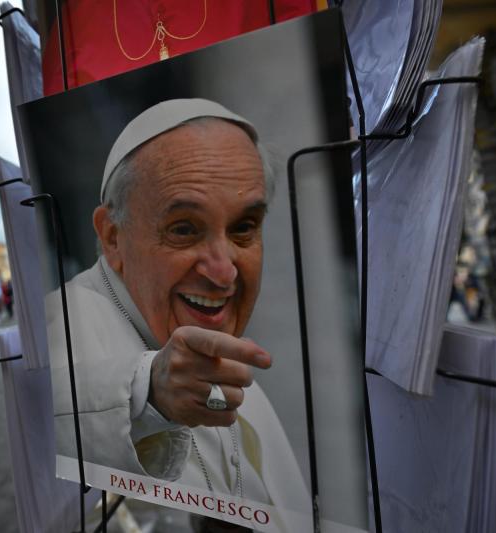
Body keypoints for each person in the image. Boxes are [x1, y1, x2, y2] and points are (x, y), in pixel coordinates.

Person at [46, 99, 308, 518]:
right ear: (113, 237)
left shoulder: (220, 352)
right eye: (184, 229)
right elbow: (45, 415)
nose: (224, 274)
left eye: (243, 228)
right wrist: (149, 392)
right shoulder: (62, 316)